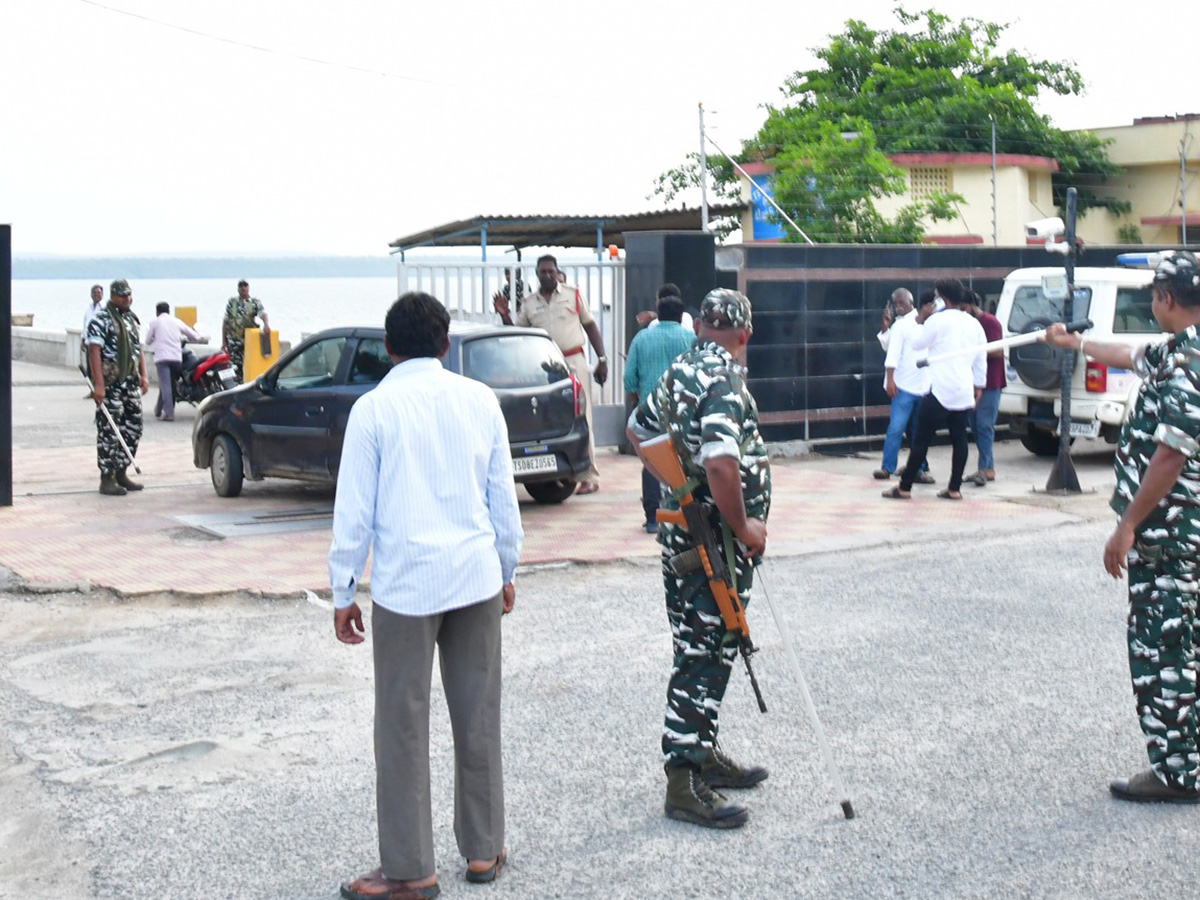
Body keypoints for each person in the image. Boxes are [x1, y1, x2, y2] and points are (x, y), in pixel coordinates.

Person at [329, 292, 523, 897]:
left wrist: (342, 590)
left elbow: (354, 511)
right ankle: (485, 850)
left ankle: (412, 869)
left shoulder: (374, 409)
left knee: (403, 725)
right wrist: (507, 568)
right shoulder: (480, 401)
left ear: (389, 348)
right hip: (474, 576)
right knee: (478, 712)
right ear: (446, 344)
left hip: (407, 587)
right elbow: (503, 497)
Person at [1044, 250, 1200, 804]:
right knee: (1185, 643)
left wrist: (1126, 526)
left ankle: (1179, 773)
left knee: (1166, 649)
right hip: (1183, 536)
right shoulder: (1177, 351)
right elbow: (1130, 354)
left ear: (1164, 299)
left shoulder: (1186, 365)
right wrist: (1075, 343)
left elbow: (1169, 457)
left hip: (1171, 537)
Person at [626, 288, 771, 830]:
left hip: (688, 531)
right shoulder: (725, 376)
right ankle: (684, 780)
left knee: (709, 643)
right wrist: (742, 524)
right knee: (703, 649)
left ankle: (702, 750)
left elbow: (638, 430)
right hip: (714, 542)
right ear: (744, 334)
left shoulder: (683, 367)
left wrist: (679, 487)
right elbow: (722, 462)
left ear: (701, 326)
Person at [493, 254, 608, 494]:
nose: (547, 275)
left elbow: (590, 326)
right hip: (544, 366)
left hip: (573, 359)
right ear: (536, 274)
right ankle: (559, 470)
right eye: (543, 272)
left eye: (551, 271)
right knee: (549, 418)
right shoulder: (529, 303)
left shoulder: (573, 294)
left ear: (557, 272)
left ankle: (588, 475)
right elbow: (518, 335)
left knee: (582, 417)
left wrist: (602, 359)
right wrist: (505, 316)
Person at [882, 278, 985, 501]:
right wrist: (979, 385)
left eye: (937, 296)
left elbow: (917, 343)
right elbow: (981, 358)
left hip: (939, 391)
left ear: (944, 299)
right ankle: (954, 488)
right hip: (963, 391)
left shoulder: (937, 322)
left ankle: (905, 487)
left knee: (921, 440)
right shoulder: (973, 324)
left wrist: (922, 319)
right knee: (959, 439)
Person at [624, 290, 695, 533]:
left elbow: (628, 378)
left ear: (658, 315)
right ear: (680, 316)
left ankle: (653, 517)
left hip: (651, 411)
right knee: (683, 461)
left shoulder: (641, 339)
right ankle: (684, 510)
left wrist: (637, 400)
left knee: (652, 461)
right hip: (683, 411)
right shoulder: (691, 338)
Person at [87, 279, 149, 496]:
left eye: (129, 295)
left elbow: (137, 348)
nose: (127, 299)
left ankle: (122, 471)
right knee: (109, 431)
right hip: (112, 384)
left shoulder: (132, 319)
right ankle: (107, 478)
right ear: (113, 296)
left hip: (130, 383)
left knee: (133, 427)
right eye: (123, 295)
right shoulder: (101, 320)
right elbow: (94, 351)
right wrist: (99, 385)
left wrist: (144, 374)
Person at [874, 288, 934, 483]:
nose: (898, 306)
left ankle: (919, 469)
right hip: (903, 387)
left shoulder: (928, 323)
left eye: (901, 302)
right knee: (896, 428)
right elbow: (890, 352)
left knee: (919, 431)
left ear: (911, 302)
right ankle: (887, 467)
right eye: (895, 303)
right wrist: (890, 380)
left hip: (923, 386)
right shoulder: (900, 326)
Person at [964, 290, 1006, 486]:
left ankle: (984, 469)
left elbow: (998, 351)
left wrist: (974, 352)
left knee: (984, 425)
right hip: (972, 382)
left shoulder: (990, 322)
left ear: (972, 304)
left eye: (964, 308)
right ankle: (988, 467)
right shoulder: (967, 323)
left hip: (991, 383)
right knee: (975, 426)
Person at [144, 302, 202, 422]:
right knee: (168, 383)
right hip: (177, 358)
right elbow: (194, 336)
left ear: (157, 312)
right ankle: (158, 410)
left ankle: (169, 414)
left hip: (162, 358)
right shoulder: (176, 321)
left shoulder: (155, 322)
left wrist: (155, 338)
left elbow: (148, 341)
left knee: (165, 385)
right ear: (169, 311)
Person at [222, 279, 270, 384]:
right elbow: (226, 322)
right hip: (234, 342)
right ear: (238, 289)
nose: (243, 288)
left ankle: (248, 385)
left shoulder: (254, 302)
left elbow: (263, 313)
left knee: (250, 366)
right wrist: (224, 342)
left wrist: (266, 325)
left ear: (248, 288)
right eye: (241, 286)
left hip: (249, 343)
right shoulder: (232, 302)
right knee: (234, 368)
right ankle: (236, 387)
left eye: (245, 286)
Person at [81, 284, 105, 398]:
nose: (97, 295)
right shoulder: (89, 309)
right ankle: (92, 390)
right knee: (90, 369)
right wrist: (83, 339)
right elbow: (85, 325)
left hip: (100, 343)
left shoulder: (104, 308)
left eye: (99, 293)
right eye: (95, 293)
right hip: (89, 342)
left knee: (99, 368)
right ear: (91, 295)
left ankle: (99, 389)